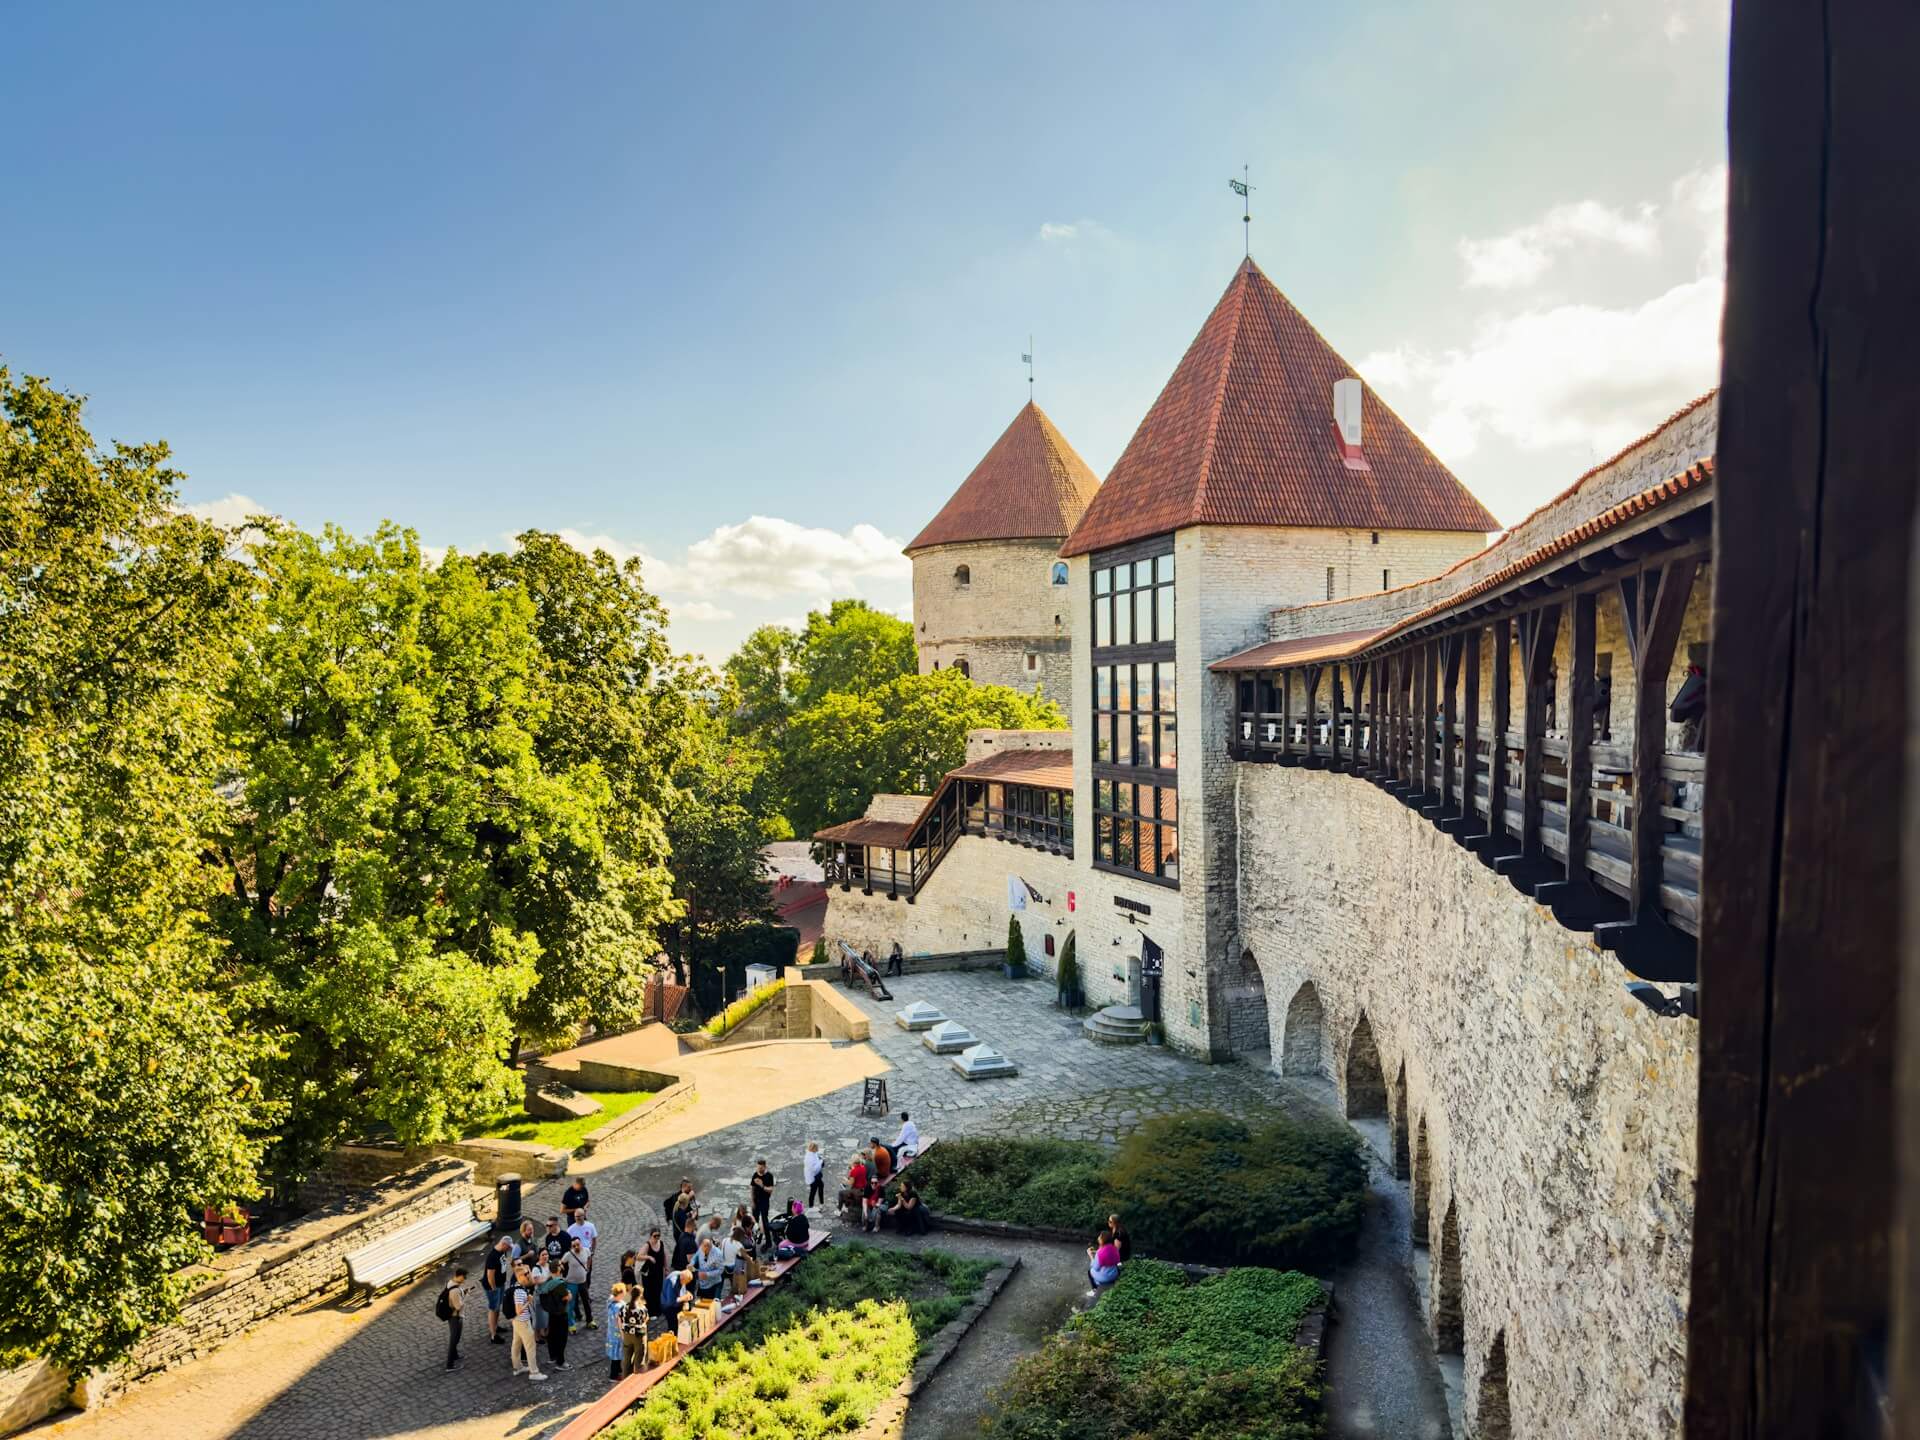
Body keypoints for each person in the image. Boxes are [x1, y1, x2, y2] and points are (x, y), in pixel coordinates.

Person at [510, 1265, 548, 1381]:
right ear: (520, 1276)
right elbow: (519, 1310)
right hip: (523, 1321)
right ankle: (534, 1372)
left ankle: (517, 1367)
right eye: (526, 1274)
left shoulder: (515, 1286)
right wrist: (529, 1301)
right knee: (530, 1347)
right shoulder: (520, 1291)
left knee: (516, 1343)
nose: (529, 1275)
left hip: (516, 1321)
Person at [540, 1259, 572, 1369]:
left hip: (551, 1312)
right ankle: (561, 1362)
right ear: (558, 1268)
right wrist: (569, 1294)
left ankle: (552, 1357)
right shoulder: (559, 1284)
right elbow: (568, 1297)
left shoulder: (548, 1280)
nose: (562, 1266)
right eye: (560, 1265)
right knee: (561, 1338)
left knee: (552, 1335)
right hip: (561, 1313)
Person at [483, 1236, 513, 1344]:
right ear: (504, 1244)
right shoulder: (493, 1256)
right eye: (508, 1248)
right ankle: (493, 1335)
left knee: (497, 1307)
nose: (509, 1250)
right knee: (493, 1308)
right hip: (493, 1287)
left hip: (500, 1284)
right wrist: (494, 1289)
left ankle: (495, 1326)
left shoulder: (502, 1252)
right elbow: (490, 1276)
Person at [620, 1277, 651, 1376]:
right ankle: (637, 1380)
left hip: (627, 1335)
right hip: (639, 1336)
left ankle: (625, 1378)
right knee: (639, 1360)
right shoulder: (642, 1308)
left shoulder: (624, 1307)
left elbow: (620, 1318)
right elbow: (646, 1319)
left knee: (627, 1359)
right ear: (640, 1295)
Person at [440, 1267, 467, 1370]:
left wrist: (463, 1292)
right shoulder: (455, 1290)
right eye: (464, 1277)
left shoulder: (451, 1283)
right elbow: (458, 1306)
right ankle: (449, 1365)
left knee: (455, 1337)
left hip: (453, 1316)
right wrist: (466, 1296)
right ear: (459, 1276)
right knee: (454, 1339)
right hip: (455, 1317)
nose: (465, 1279)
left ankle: (455, 1356)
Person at [563, 1239, 591, 1332]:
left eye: (577, 1245)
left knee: (586, 1301)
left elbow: (589, 1257)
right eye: (574, 1246)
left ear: (581, 1244)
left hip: (583, 1281)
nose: (576, 1247)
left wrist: (588, 1268)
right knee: (571, 1304)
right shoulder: (569, 1255)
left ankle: (590, 1320)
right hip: (571, 1283)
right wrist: (563, 1276)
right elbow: (561, 1263)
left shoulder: (586, 1250)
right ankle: (571, 1324)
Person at [604, 1283, 631, 1381]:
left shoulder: (610, 1300)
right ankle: (613, 1376)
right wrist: (624, 1336)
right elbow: (620, 1323)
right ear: (620, 1293)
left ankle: (619, 1369)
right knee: (616, 1356)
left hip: (611, 1332)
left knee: (616, 1354)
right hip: (618, 1335)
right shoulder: (620, 1307)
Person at [640, 1229, 667, 1312]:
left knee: (658, 1289)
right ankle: (651, 1311)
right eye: (655, 1236)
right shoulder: (647, 1245)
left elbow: (664, 1255)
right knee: (650, 1292)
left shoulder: (661, 1243)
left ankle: (658, 1309)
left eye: (658, 1236)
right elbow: (639, 1256)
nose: (657, 1238)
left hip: (658, 1271)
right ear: (651, 1236)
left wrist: (665, 1268)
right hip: (649, 1273)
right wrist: (648, 1257)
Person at [750, 1159, 775, 1239]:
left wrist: (762, 1185)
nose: (759, 1170)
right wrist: (752, 1201)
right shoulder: (755, 1175)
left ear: (765, 1167)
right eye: (758, 1168)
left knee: (765, 1221)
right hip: (756, 1201)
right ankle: (755, 1236)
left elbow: (771, 1189)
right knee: (754, 1221)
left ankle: (768, 1241)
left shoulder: (769, 1176)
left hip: (764, 1202)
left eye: (761, 1168)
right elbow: (752, 1188)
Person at [658, 1263, 686, 1331]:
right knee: (673, 1326)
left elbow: (682, 1290)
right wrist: (684, 1298)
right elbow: (671, 1302)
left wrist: (687, 1294)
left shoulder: (681, 1274)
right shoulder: (672, 1283)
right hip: (668, 1307)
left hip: (674, 1305)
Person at [803, 1141, 825, 1210]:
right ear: (814, 1148)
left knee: (820, 1187)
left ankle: (819, 1204)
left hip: (816, 1176)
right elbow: (814, 1169)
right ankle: (811, 1206)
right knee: (813, 1191)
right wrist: (820, 1162)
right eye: (817, 1148)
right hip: (813, 1177)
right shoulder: (809, 1158)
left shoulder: (812, 1154)